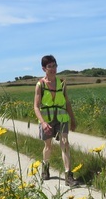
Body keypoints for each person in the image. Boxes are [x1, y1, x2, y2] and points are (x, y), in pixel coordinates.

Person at [33, 55, 79, 187]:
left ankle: (68, 175)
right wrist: (43, 122)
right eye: (49, 66)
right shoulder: (40, 85)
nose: (53, 69)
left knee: (65, 143)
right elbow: (36, 106)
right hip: (46, 119)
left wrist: (73, 119)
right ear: (44, 69)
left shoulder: (62, 83)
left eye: (54, 66)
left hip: (62, 118)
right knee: (48, 146)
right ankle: (45, 167)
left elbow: (67, 103)